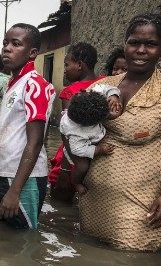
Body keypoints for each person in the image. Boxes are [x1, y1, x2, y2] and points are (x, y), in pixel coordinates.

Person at [79, 13, 161, 251]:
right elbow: (75, 129)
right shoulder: (102, 87)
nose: (141, 50)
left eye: (151, 44)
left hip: (140, 203)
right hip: (94, 198)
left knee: (133, 253)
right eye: (134, 42)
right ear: (125, 44)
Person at [0, 23, 56, 229]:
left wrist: (15, 190)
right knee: (2, 237)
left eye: (15, 44)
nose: (7, 48)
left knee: (22, 240)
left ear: (32, 53)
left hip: (24, 180)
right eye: (5, 43)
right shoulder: (13, 83)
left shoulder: (35, 85)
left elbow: (35, 142)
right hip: (6, 173)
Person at [48, 42, 106, 202]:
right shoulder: (106, 83)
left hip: (73, 153)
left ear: (79, 65)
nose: (65, 69)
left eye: (67, 64)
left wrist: (66, 168)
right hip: (99, 152)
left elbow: (68, 130)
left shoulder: (70, 92)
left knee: (60, 200)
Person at [60, 86, 122, 195]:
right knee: (82, 167)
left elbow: (103, 87)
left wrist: (113, 95)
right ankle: (76, 182)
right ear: (89, 125)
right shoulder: (77, 132)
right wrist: (98, 149)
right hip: (73, 141)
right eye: (105, 116)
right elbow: (77, 150)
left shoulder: (92, 96)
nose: (110, 114)